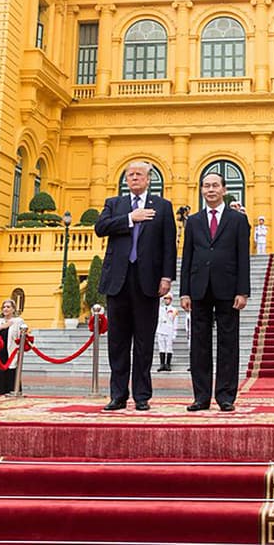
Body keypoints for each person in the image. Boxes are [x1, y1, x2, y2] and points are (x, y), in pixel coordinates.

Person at [94, 159, 177, 412]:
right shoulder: (114, 204)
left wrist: (166, 278)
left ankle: (142, 396)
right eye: (130, 175)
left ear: (149, 179)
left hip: (148, 282)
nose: (134, 178)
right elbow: (100, 228)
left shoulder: (162, 207)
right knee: (117, 342)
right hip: (118, 280)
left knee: (144, 341)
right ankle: (118, 395)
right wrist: (130, 218)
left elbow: (168, 245)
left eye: (139, 174)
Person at [180, 171, 251, 412]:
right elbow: (187, 257)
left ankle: (225, 396)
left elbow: (243, 257)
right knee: (199, 345)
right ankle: (201, 397)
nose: (210, 190)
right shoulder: (194, 221)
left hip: (228, 289)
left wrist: (243, 291)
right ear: (201, 190)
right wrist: (184, 292)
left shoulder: (238, 220)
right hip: (199, 288)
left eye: (215, 186)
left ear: (224, 189)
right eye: (206, 186)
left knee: (227, 344)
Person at [0, 299, 25, 395]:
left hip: (11, 350)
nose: (5, 309)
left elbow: (20, 335)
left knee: (11, 369)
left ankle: (12, 389)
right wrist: (1, 327)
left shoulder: (18, 321)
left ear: (13, 309)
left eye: (8, 307)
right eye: (4, 307)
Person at [155, 293, 178, 372]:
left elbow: (175, 322)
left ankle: (168, 364)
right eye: (165, 298)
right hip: (161, 329)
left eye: (168, 298)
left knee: (169, 348)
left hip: (169, 330)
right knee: (161, 347)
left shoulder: (174, 310)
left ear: (171, 300)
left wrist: (175, 332)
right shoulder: (160, 309)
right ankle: (162, 364)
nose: (166, 300)